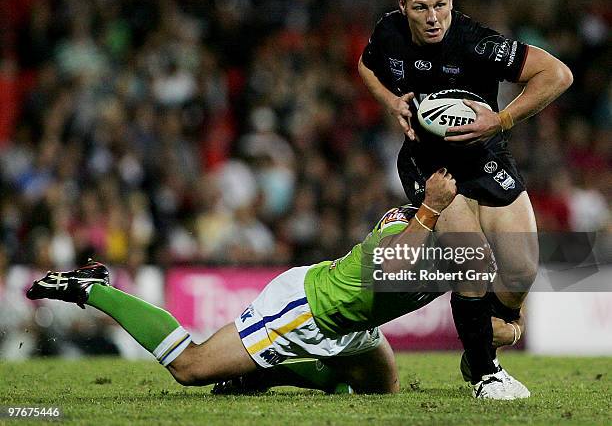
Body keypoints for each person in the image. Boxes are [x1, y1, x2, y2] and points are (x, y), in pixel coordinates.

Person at [27, 169, 526, 399]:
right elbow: (394, 268)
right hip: (308, 310)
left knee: (380, 389)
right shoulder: (410, 227)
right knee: (192, 366)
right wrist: (433, 207)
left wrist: (498, 328)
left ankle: (262, 375)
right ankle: (92, 287)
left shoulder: (462, 253)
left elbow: (476, 303)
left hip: (355, 325)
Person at [358, 0, 573, 390]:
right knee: (472, 259)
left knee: (520, 272)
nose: (433, 17)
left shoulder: (477, 43)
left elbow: (558, 74)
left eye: (440, 4)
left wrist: (503, 119)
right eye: (421, 8)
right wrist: (391, 100)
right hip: (429, 162)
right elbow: (366, 66)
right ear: (403, 6)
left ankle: (484, 334)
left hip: (485, 154)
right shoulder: (389, 32)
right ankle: (485, 373)